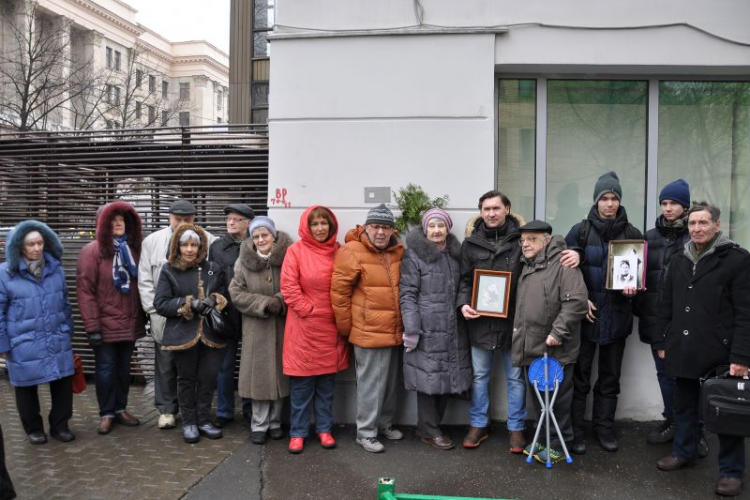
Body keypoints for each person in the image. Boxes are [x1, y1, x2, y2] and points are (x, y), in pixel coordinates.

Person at [457, 190, 580, 452]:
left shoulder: (521, 240)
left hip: (515, 323)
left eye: (496, 208)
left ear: (507, 210)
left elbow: (550, 252)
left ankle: (516, 428)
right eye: (486, 209)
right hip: (480, 323)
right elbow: (466, 280)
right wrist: (464, 303)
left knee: (516, 378)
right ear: (481, 212)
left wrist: (575, 252)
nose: (491, 213)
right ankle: (478, 424)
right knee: (480, 376)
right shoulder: (470, 245)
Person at [655, 202, 750, 497]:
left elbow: (746, 313)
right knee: (684, 406)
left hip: (721, 352)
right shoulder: (680, 258)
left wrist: (741, 357)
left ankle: (731, 472)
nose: (696, 228)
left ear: (717, 226)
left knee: (726, 413)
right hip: (682, 346)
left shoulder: (737, 260)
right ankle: (684, 452)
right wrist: (662, 340)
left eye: (703, 223)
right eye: (693, 223)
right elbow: (666, 303)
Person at [564, 171, 643, 454]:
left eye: (614, 198)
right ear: (596, 200)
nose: (609, 204)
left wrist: (634, 289)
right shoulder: (580, 231)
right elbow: (565, 275)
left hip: (617, 317)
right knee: (580, 377)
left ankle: (604, 429)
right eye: (604, 198)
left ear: (620, 201)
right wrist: (581, 299)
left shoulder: (632, 234)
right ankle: (576, 432)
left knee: (610, 378)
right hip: (586, 318)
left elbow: (638, 277)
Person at [635, 179, 704, 452]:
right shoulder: (649, 237)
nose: (668, 208)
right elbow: (638, 273)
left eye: (673, 203)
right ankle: (673, 421)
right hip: (656, 318)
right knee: (664, 375)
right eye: (664, 203)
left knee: (690, 377)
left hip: (689, 320)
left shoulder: (695, 237)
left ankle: (696, 431)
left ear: (685, 206)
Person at [511, 220, 588, 462]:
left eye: (532, 239)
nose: (525, 244)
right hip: (531, 346)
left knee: (558, 400)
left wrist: (558, 332)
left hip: (555, 348)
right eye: (523, 240)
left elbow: (576, 302)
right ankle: (544, 440)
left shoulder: (564, 264)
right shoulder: (527, 265)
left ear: (546, 240)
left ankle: (559, 442)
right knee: (540, 401)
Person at [331, 204, 405, 453]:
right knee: (371, 385)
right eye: (376, 226)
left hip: (394, 330)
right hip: (368, 332)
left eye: (385, 227)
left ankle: (384, 424)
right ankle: (365, 432)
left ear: (392, 229)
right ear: (366, 227)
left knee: (390, 384)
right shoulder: (351, 251)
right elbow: (339, 294)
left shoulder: (397, 250)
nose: (381, 232)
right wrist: (347, 329)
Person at [138, 199, 215, 430]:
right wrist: (154, 312)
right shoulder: (152, 242)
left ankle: (193, 412)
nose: (182, 222)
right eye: (177, 218)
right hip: (164, 314)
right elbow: (144, 280)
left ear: (194, 218)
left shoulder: (208, 240)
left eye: (187, 219)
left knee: (194, 367)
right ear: (169, 217)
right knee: (165, 363)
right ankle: (167, 409)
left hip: (198, 318)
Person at [399, 208, 471, 450]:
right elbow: (407, 294)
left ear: (448, 228)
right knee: (428, 381)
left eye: (441, 225)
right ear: (425, 229)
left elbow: (464, 284)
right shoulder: (414, 256)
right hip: (427, 329)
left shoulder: (455, 254)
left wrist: (463, 306)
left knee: (446, 379)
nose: (437, 230)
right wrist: (411, 328)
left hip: (452, 327)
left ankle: (428, 426)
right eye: (432, 226)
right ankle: (430, 431)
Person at [281, 206, 350, 454]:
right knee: (301, 386)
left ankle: (324, 429)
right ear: (306, 227)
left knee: (326, 386)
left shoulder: (340, 251)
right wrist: (308, 310)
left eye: (324, 223)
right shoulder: (295, 251)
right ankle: (298, 433)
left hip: (331, 327)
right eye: (315, 224)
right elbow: (288, 287)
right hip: (304, 327)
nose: (320, 228)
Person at [0, 220, 75, 445]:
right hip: (23, 341)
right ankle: (33, 428)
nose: (36, 249)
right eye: (30, 244)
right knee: (25, 385)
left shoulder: (55, 269)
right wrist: (3, 344)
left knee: (63, 383)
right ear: (19, 247)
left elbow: (65, 303)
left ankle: (60, 425)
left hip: (56, 335)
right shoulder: (5, 274)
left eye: (40, 243)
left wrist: (67, 329)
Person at [76, 201, 147, 434]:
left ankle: (120, 408)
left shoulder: (134, 250)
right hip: (104, 324)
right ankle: (106, 412)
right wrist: (92, 327)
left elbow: (142, 285)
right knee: (106, 369)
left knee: (123, 369)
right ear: (102, 223)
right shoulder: (92, 251)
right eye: (113, 220)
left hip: (129, 320)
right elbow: (85, 292)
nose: (118, 223)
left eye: (122, 220)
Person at [153, 224, 228, 444]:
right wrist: (189, 304)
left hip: (211, 334)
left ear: (200, 246)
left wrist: (213, 299)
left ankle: (204, 420)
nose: (189, 249)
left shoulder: (213, 267)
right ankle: (189, 422)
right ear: (177, 245)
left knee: (207, 379)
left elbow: (222, 292)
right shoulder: (169, 269)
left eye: (193, 245)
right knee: (186, 380)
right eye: (185, 244)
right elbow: (160, 304)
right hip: (183, 334)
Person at [230, 216, 292, 444]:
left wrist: (280, 300)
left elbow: (296, 284)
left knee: (279, 377)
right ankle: (259, 424)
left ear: (274, 236)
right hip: (256, 328)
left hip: (282, 327)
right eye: (256, 236)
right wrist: (264, 303)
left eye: (264, 234)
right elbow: (236, 293)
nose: (260, 239)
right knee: (259, 379)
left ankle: (275, 422)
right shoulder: (243, 262)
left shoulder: (288, 257)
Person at [209, 203, 255, 428]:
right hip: (225, 314)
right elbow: (211, 279)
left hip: (249, 314)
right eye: (229, 218)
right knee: (224, 366)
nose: (230, 222)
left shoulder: (256, 244)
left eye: (237, 219)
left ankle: (250, 410)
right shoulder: (217, 247)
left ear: (248, 223)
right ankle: (225, 411)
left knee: (249, 365)